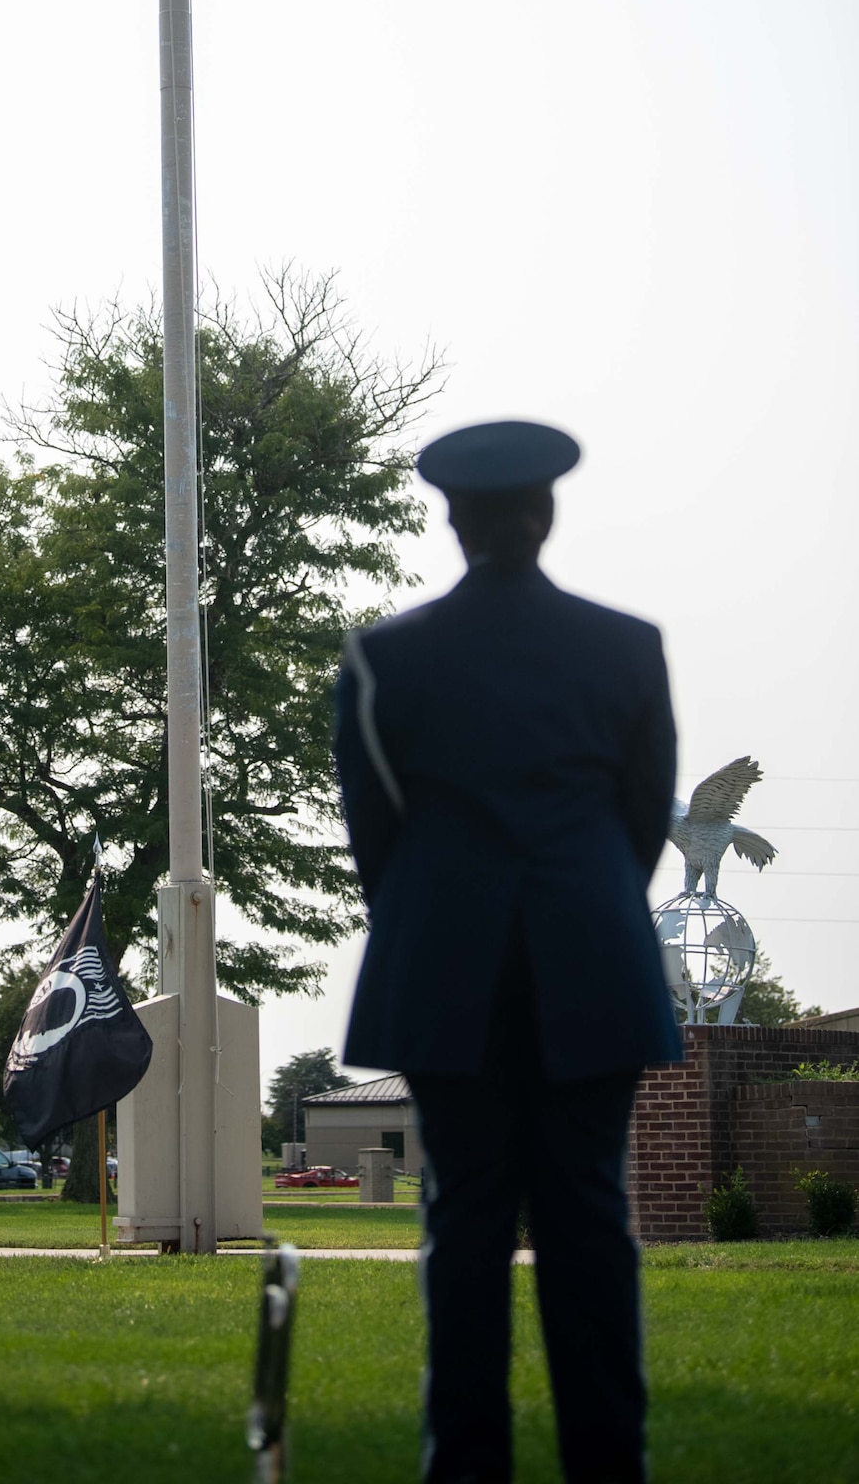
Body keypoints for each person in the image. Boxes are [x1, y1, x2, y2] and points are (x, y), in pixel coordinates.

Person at [334, 420, 680, 1484]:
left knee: (467, 1227)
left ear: (453, 518)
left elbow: (373, 832)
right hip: (593, 958)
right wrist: (583, 907)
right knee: (589, 1221)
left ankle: (466, 1465)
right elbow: (641, 816)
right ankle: (606, 1463)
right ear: (546, 512)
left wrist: (445, 911)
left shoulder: (383, 655)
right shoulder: (626, 645)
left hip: (445, 969)